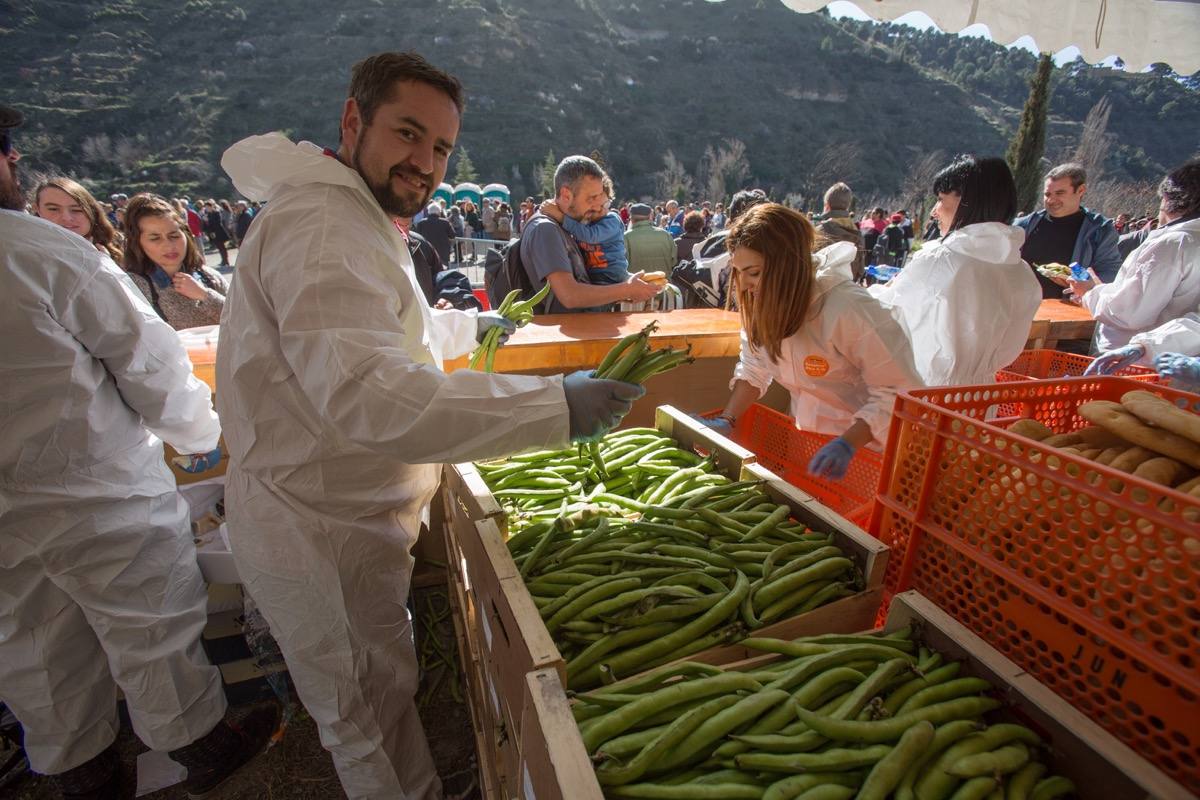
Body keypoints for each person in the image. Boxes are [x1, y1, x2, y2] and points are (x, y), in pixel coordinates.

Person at [216, 52, 645, 799]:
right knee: (362, 714)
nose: (425, 162)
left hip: (345, 512)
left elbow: (382, 332)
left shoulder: (353, 213)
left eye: (440, 147)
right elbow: (371, 393)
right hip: (315, 526)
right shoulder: (321, 226)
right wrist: (555, 408)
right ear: (354, 121)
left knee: (382, 687)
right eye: (408, 134)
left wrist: (471, 326)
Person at [0, 104, 276, 800]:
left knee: (31, 646)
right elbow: (149, 365)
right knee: (149, 624)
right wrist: (200, 438)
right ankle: (196, 746)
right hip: (87, 487)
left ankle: (78, 773)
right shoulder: (38, 252)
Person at [700, 203, 922, 479]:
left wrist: (848, 443)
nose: (744, 285)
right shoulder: (762, 305)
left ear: (787, 265)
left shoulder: (847, 308)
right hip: (809, 444)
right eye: (738, 272)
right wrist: (727, 418)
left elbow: (900, 390)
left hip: (869, 453)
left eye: (754, 273)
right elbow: (755, 367)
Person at [869, 155, 1042, 387]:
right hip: (983, 395)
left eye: (941, 199)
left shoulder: (941, 260)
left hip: (928, 393)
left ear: (968, 201)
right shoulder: (1019, 269)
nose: (934, 211)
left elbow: (880, 315)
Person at [1067, 158, 1200, 354]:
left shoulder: (1172, 243)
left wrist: (1089, 292)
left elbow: (1128, 313)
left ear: (1168, 199)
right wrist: (1099, 289)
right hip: (1170, 359)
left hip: (1131, 358)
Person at [519, 155, 660, 312]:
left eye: (600, 198)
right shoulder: (545, 229)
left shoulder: (561, 225)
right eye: (591, 198)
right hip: (566, 332)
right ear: (566, 195)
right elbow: (570, 296)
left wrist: (625, 289)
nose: (596, 206)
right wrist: (626, 289)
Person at [1015, 163, 1123, 297]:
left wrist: (1084, 282)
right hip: (1020, 310)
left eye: (1060, 193)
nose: (1051, 200)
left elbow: (1110, 273)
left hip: (1071, 312)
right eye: (1047, 194)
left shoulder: (1099, 231)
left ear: (1081, 190)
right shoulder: (1024, 225)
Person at [123, 193, 228, 330]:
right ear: (137, 243)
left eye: (174, 235)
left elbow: (247, 320)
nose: (169, 245)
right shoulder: (132, 288)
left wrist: (205, 295)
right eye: (155, 238)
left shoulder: (210, 277)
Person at [538, 181, 631, 286]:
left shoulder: (611, 220)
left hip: (613, 275)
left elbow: (590, 236)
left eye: (606, 204)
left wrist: (561, 217)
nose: (601, 210)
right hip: (593, 276)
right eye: (594, 208)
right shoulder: (584, 222)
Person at [32, 175, 124, 262]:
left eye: (76, 210)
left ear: (91, 211)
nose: (66, 218)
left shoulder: (120, 252)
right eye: (54, 209)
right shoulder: (25, 256)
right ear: (37, 209)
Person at [813, 182, 866, 281]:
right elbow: (861, 271)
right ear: (847, 206)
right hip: (847, 290)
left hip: (818, 290)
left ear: (827, 205)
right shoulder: (857, 234)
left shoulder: (819, 231)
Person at [624, 202, 677, 276]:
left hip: (637, 284)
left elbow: (622, 265)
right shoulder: (665, 234)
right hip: (663, 283)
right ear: (650, 217)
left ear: (631, 219)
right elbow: (674, 260)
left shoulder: (625, 237)